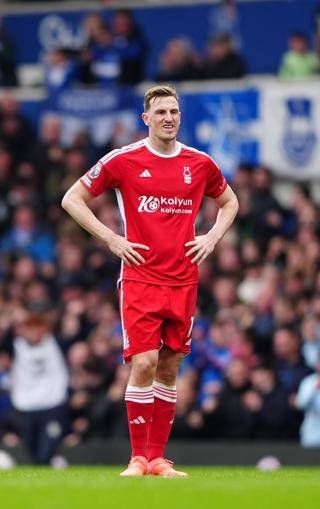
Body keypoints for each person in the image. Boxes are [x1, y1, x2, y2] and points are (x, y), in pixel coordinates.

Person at [61, 84, 239, 476]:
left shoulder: (199, 163)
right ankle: (137, 458)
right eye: (161, 112)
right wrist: (111, 238)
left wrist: (210, 237)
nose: (169, 118)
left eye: (174, 112)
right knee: (143, 362)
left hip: (183, 280)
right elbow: (72, 198)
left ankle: (157, 458)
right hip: (140, 279)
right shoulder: (123, 160)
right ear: (146, 119)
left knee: (170, 366)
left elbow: (230, 202)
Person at [9, 313, 69, 465]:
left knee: (47, 447)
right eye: (29, 328)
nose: (33, 332)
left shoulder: (57, 343)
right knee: (30, 445)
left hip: (52, 403)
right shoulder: (15, 346)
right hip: (26, 404)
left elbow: (74, 336)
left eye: (36, 328)